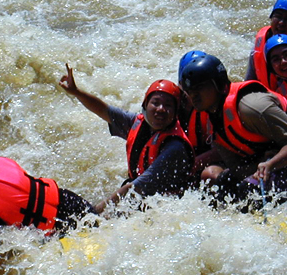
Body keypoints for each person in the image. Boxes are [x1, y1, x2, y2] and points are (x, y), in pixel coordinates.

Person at [179, 53, 287, 204]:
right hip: (283, 160)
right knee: (225, 184)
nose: (194, 95)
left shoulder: (252, 107)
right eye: (189, 90)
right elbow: (237, 168)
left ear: (219, 85)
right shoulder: (213, 117)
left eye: (199, 88)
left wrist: (271, 164)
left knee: (248, 192)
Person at [59, 64, 193, 212]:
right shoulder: (137, 123)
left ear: (175, 113)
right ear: (145, 105)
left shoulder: (174, 146)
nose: (160, 109)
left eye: (168, 105)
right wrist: (76, 92)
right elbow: (104, 110)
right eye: (155, 103)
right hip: (141, 196)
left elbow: (136, 187)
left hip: (166, 206)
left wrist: (95, 213)